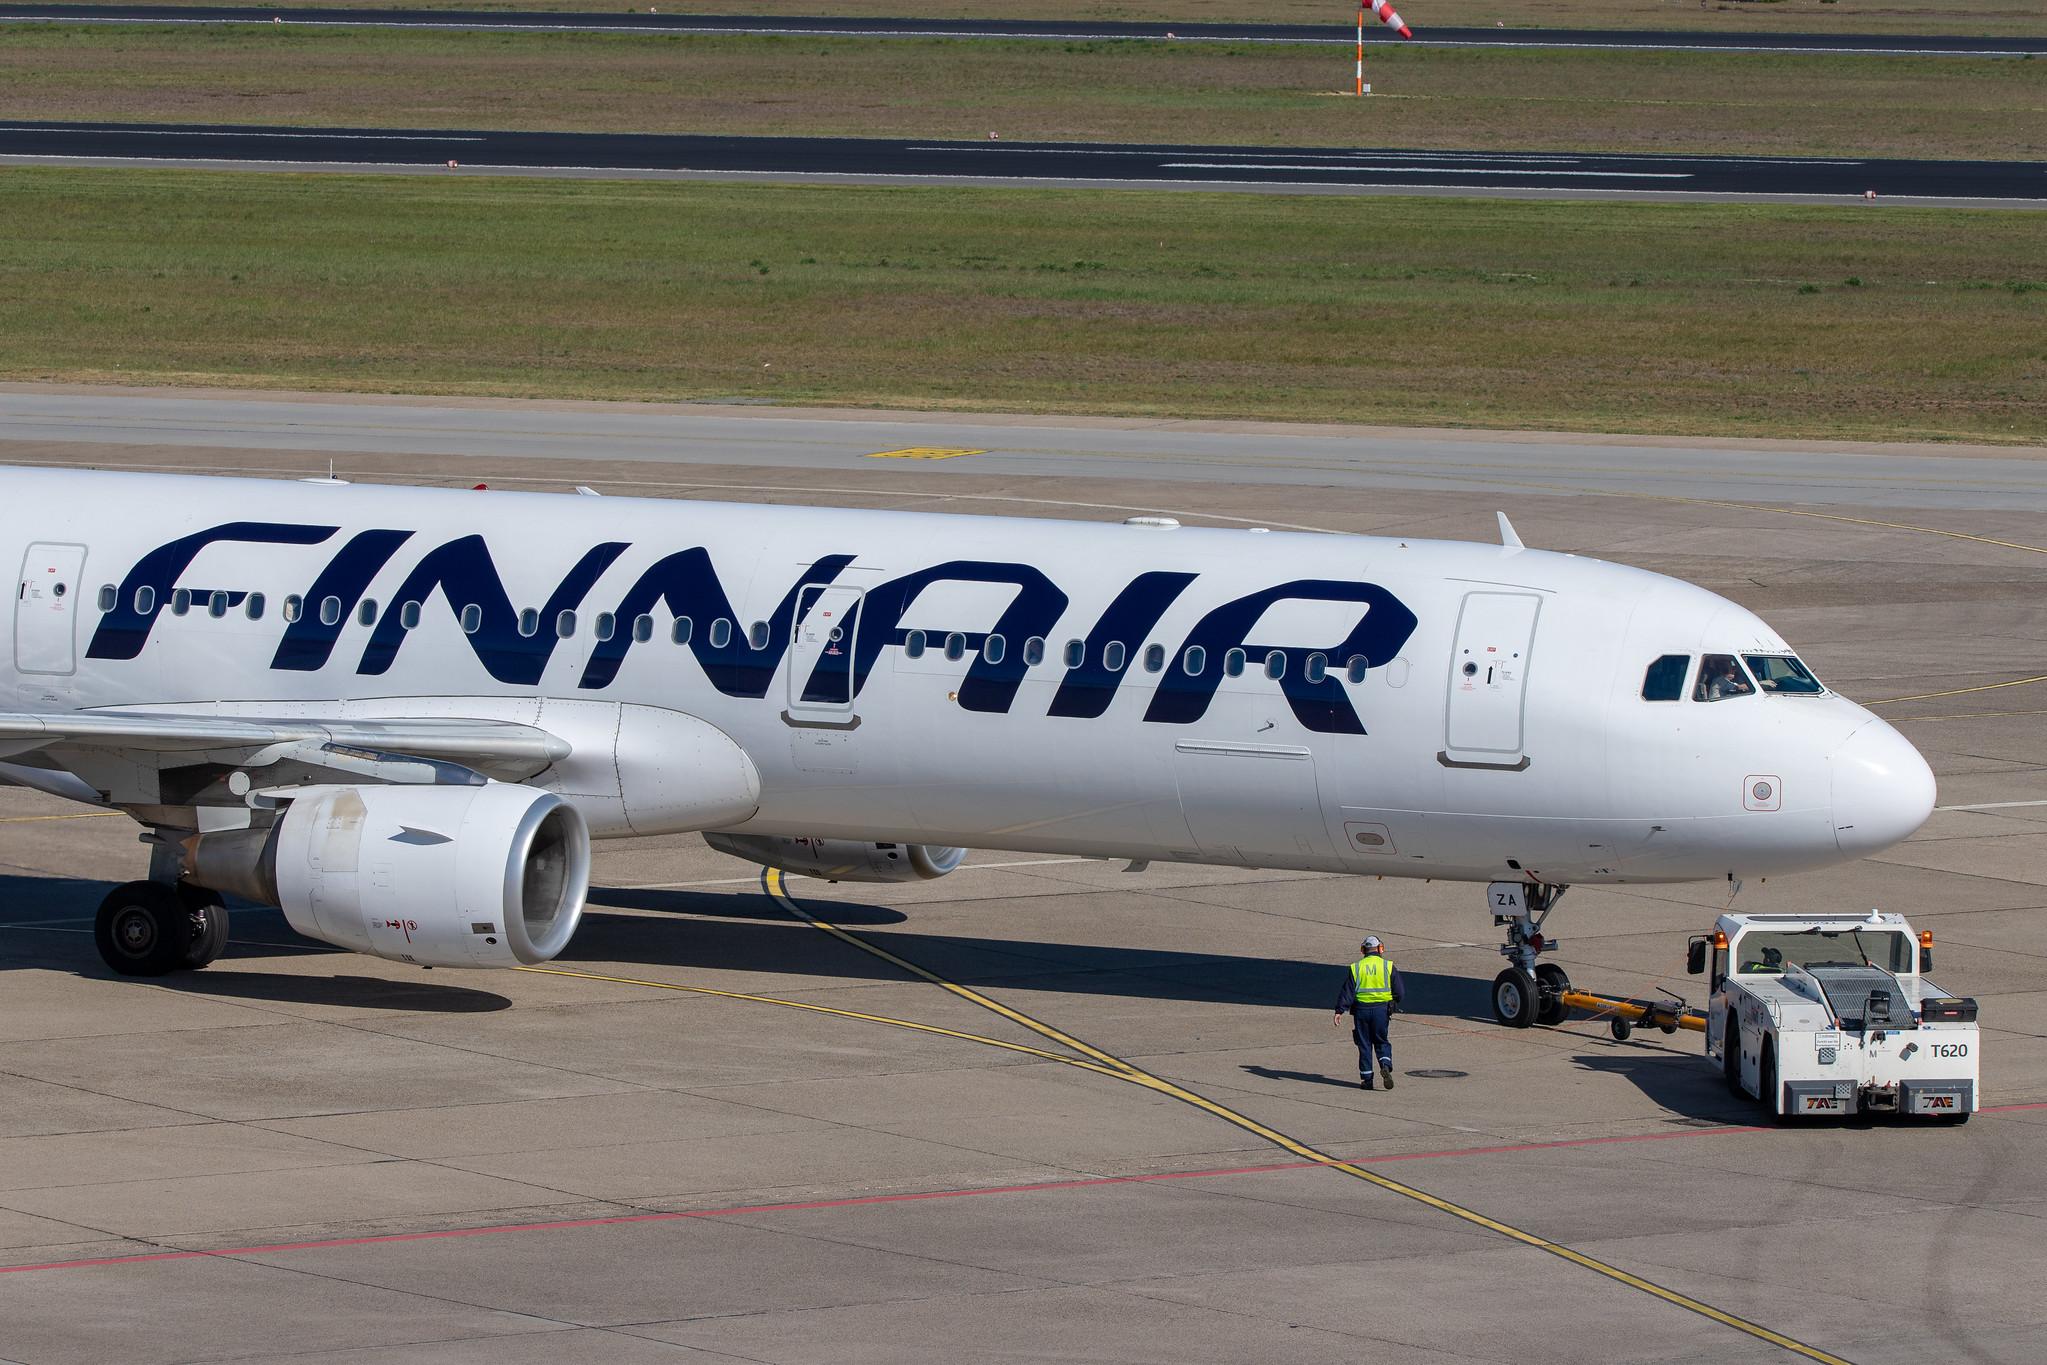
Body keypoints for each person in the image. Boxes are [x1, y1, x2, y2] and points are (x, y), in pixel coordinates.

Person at [1332, 935, 1404, 1090]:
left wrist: (1339, 1010)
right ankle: (1385, 1064)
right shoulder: (1388, 966)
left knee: (1364, 1044)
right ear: (1380, 949)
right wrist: (1393, 1001)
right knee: (1381, 1041)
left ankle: (1367, 1080)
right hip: (1381, 1011)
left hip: (1361, 1011)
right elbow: (1399, 991)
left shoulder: (1356, 967)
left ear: (1363, 950)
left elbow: (1348, 991)